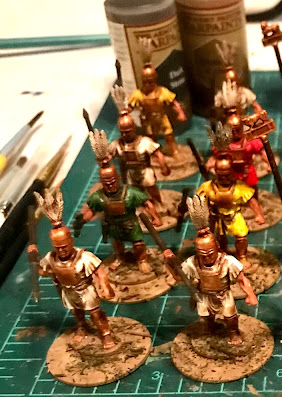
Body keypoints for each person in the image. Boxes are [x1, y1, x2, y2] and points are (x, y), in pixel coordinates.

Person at [164, 195, 258, 345]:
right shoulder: (192, 263)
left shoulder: (228, 262)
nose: (207, 257)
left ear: (217, 247)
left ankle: (234, 332)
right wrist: (169, 263)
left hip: (223, 294)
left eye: (210, 253)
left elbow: (242, 279)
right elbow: (179, 277)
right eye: (203, 254)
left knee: (230, 317)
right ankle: (211, 327)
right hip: (204, 295)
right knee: (206, 317)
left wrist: (251, 294)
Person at [30, 189, 116, 349]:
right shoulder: (51, 258)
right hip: (68, 291)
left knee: (96, 314)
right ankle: (81, 327)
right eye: (58, 247)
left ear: (70, 242)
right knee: (77, 312)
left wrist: (105, 286)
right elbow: (43, 271)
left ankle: (105, 333)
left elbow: (99, 272)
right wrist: (34, 259)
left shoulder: (84, 257)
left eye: (64, 246)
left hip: (85, 290)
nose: (61, 250)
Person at [197, 156, 265, 270]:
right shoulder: (208, 187)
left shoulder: (239, 188)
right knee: (220, 238)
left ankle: (242, 256)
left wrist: (259, 214)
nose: (224, 178)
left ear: (232, 172)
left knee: (241, 237)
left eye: (227, 175)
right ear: (216, 172)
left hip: (234, 216)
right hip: (218, 217)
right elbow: (200, 201)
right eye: (221, 175)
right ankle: (222, 253)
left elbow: (252, 201)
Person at [109, 85, 170, 205]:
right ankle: (142, 207)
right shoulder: (117, 144)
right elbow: (109, 156)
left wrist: (164, 166)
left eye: (128, 131)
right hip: (128, 173)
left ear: (133, 129)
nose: (126, 135)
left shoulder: (145, 142)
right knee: (134, 192)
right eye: (123, 132)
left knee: (151, 187)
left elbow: (158, 154)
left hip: (144, 170)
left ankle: (159, 203)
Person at [128, 38, 187, 158]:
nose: (149, 84)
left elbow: (173, 103)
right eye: (146, 82)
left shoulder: (162, 92)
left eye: (151, 81)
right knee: (151, 137)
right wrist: (125, 115)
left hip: (162, 117)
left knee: (169, 134)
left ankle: (174, 151)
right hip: (148, 119)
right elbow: (130, 107)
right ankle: (154, 154)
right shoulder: (138, 94)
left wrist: (180, 113)